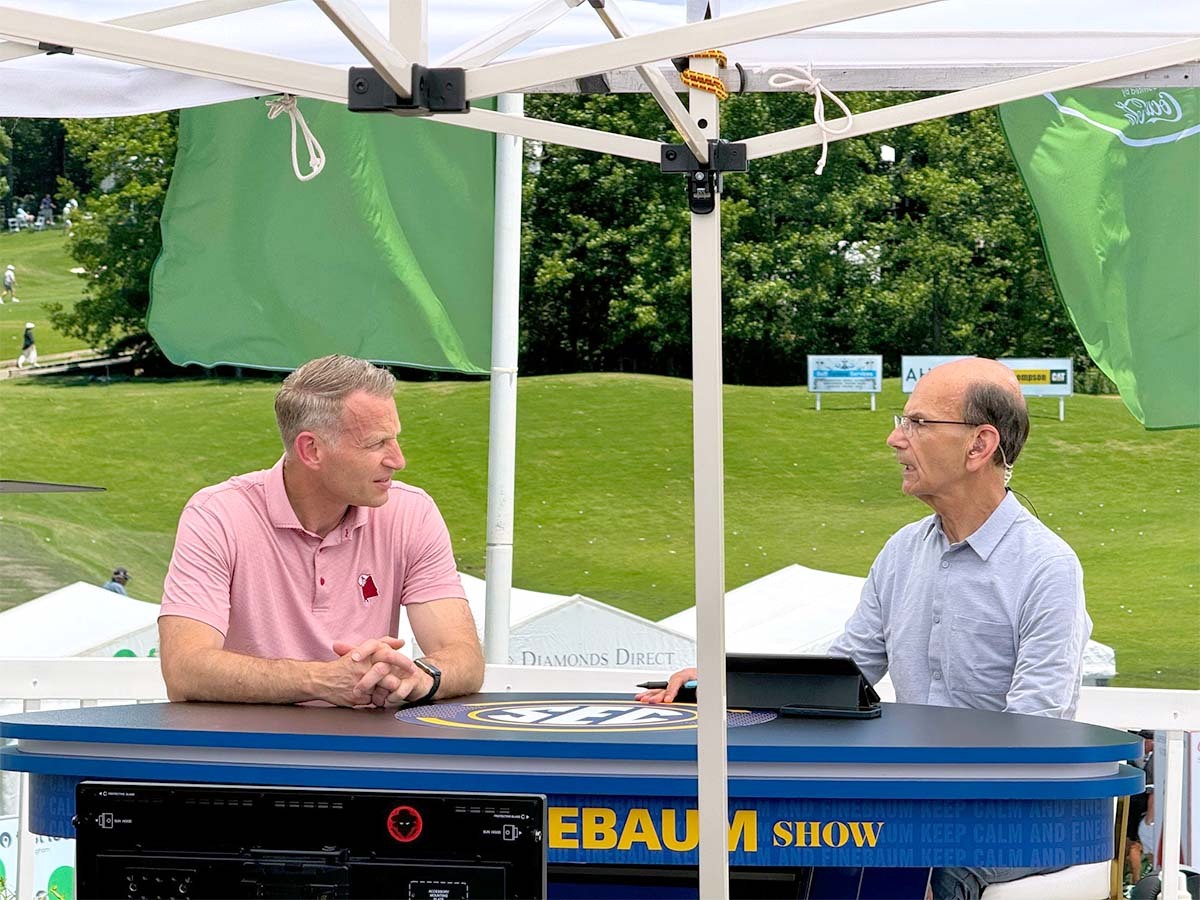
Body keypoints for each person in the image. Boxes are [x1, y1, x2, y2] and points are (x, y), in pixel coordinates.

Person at [639, 358, 1091, 900]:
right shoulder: (902, 552)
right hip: (915, 803)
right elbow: (840, 680)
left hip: (1014, 815)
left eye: (917, 423)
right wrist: (722, 683)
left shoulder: (1047, 567)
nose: (894, 438)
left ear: (980, 446)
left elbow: (1033, 736)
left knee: (923, 872)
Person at [158, 354, 484, 708]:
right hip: (247, 754)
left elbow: (465, 659)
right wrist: (322, 680)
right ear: (311, 450)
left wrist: (419, 676)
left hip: (366, 753)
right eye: (376, 443)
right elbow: (184, 670)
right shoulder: (217, 515)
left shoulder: (412, 512)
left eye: (394, 439)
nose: (398, 459)